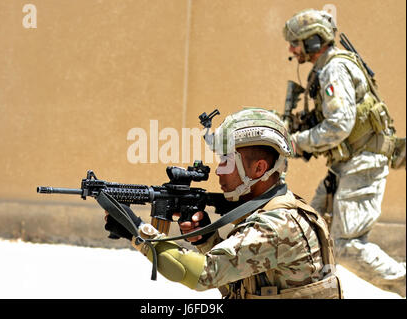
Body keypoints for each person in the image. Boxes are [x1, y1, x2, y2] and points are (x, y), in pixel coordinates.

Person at [104, 107, 342, 299]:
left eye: (227, 161)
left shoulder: (276, 225)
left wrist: (136, 230)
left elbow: (198, 275)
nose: (218, 170)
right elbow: (238, 288)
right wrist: (207, 241)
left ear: (259, 168)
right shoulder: (281, 209)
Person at [282, 8, 405, 297]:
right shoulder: (328, 67)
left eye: (296, 42)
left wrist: (296, 141)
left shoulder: (334, 68)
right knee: (313, 232)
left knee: (347, 247)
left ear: (314, 41)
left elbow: (339, 125)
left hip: (362, 166)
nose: (291, 49)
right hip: (346, 166)